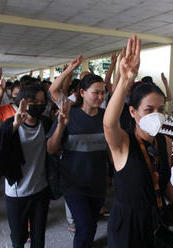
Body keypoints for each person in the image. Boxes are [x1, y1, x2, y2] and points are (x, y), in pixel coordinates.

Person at [104, 35, 173, 248]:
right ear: (132, 112)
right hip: (128, 224)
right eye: (149, 110)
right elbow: (109, 124)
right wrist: (125, 80)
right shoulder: (123, 143)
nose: (156, 115)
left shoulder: (163, 141)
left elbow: (163, 183)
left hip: (157, 218)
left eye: (160, 110)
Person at [47, 72, 109, 248]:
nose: (100, 96)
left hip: (98, 183)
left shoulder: (106, 117)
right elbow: (50, 148)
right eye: (96, 92)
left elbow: (112, 150)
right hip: (73, 183)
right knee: (85, 226)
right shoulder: (70, 115)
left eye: (103, 92)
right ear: (82, 93)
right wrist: (60, 125)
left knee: (91, 224)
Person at [0, 84, 51, 248]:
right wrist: (15, 125)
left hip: (40, 190)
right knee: (18, 238)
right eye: (33, 101)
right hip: (17, 193)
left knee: (39, 238)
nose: (38, 105)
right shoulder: (9, 125)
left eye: (42, 101)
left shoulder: (45, 123)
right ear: (22, 102)